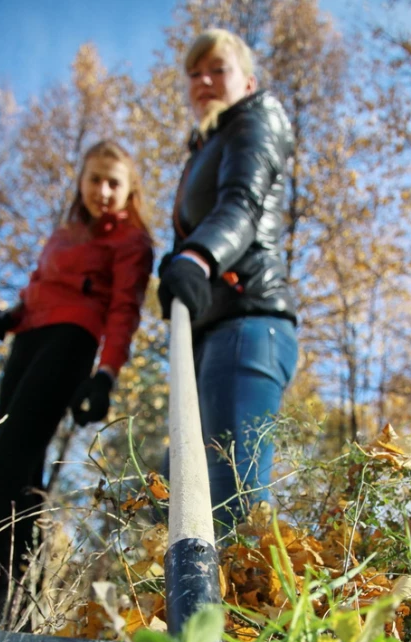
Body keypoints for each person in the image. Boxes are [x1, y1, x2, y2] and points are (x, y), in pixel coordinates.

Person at [0, 140, 153, 629]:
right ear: (81, 181)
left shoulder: (131, 242)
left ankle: (11, 608)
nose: (103, 190)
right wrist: (5, 317)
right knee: (19, 475)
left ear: (129, 189)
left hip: (72, 341)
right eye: (95, 178)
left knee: (3, 466)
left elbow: (123, 311)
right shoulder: (62, 235)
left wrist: (105, 373)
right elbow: (35, 291)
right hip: (27, 341)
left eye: (114, 182)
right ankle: (15, 615)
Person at [158, 28, 298, 532]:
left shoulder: (256, 120)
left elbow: (242, 201)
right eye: (194, 74)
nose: (204, 80)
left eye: (218, 69)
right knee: (185, 496)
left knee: (232, 498)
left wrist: (196, 257)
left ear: (248, 80)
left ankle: (247, 611)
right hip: (211, 332)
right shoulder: (205, 146)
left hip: (248, 323)